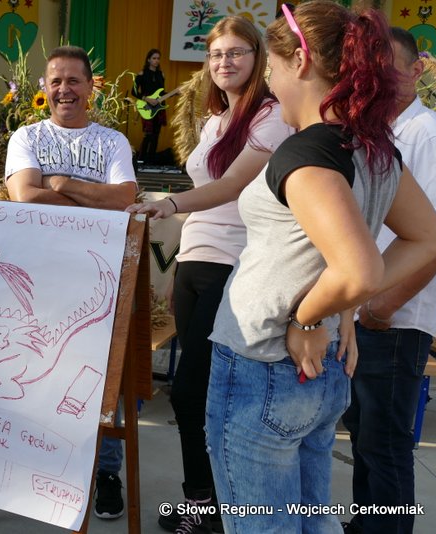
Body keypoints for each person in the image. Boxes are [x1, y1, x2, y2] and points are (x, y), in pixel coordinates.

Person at [205, 2, 436, 532]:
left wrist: (308, 316)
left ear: (302, 62)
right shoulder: (372, 148)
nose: (270, 83)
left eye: (272, 68)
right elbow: (427, 238)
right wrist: (342, 311)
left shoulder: (308, 154)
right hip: (315, 367)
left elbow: (359, 269)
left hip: (264, 364)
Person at [126, 16, 292, 534]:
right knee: (195, 391)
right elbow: (207, 202)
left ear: (259, 57)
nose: (225, 62)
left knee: (195, 392)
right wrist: (181, 260)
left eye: (237, 52)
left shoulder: (271, 117)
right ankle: (205, 503)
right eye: (217, 54)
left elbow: (232, 186)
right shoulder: (216, 120)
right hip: (196, 264)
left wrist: (170, 203)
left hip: (234, 267)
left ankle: (211, 506)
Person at [5, 45, 138, 520]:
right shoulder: (26, 136)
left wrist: (61, 184)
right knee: (36, 377)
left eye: (73, 80)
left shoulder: (113, 142)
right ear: (45, 87)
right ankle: (42, 469)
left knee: (102, 381)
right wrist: (93, 199)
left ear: (90, 88)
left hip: (101, 284)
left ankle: (106, 472)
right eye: (56, 81)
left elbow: (124, 198)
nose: (64, 89)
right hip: (38, 286)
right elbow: (24, 197)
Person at [341, 27, 436, 534]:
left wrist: (383, 306)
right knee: (365, 436)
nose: (376, 76)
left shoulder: (428, 134)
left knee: (384, 445)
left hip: (396, 319)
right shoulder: (379, 131)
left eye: (388, 65)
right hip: (366, 311)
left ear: (417, 69)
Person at [133, 49, 167, 165]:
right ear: (148, 60)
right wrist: (147, 99)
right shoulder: (142, 74)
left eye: (158, 58)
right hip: (146, 106)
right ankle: (141, 159)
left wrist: (174, 93)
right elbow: (134, 92)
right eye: (154, 58)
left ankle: (151, 161)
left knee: (156, 135)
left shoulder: (161, 74)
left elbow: (162, 93)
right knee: (148, 134)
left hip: (159, 107)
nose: (156, 60)